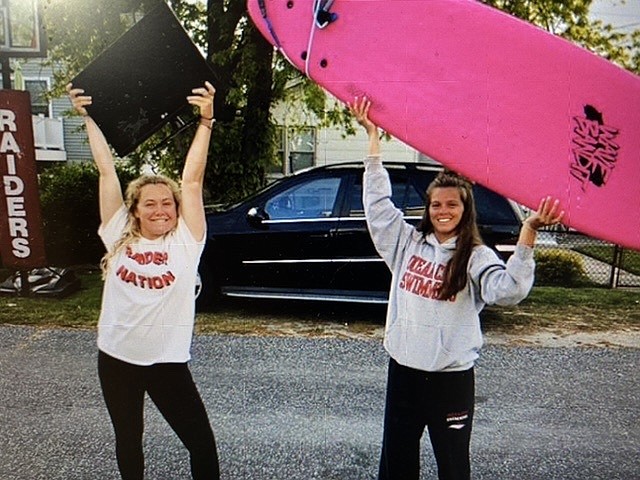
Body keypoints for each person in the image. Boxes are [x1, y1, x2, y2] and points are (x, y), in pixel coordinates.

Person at [348, 96, 565, 480]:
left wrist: (528, 233)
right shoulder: (406, 244)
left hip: (451, 381)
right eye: (435, 205)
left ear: (465, 210)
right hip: (404, 374)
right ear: (427, 209)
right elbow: (378, 206)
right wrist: (373, 139)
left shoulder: (475, 255)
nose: (443, 211)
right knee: (397, 466)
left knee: (453, 467)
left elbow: (508, 290)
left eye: (452, 204)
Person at [67, 81, 220, 480]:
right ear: (134, 211)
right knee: (129, 441)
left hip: (166, 363)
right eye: (149, 203)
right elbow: (106, 170)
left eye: (166, 203)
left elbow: (191, 181)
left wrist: (205, 121)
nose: (160, 210)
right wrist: (88, 118)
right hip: (116, 359)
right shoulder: (117, 233)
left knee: (201, 444)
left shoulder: (187, 243)